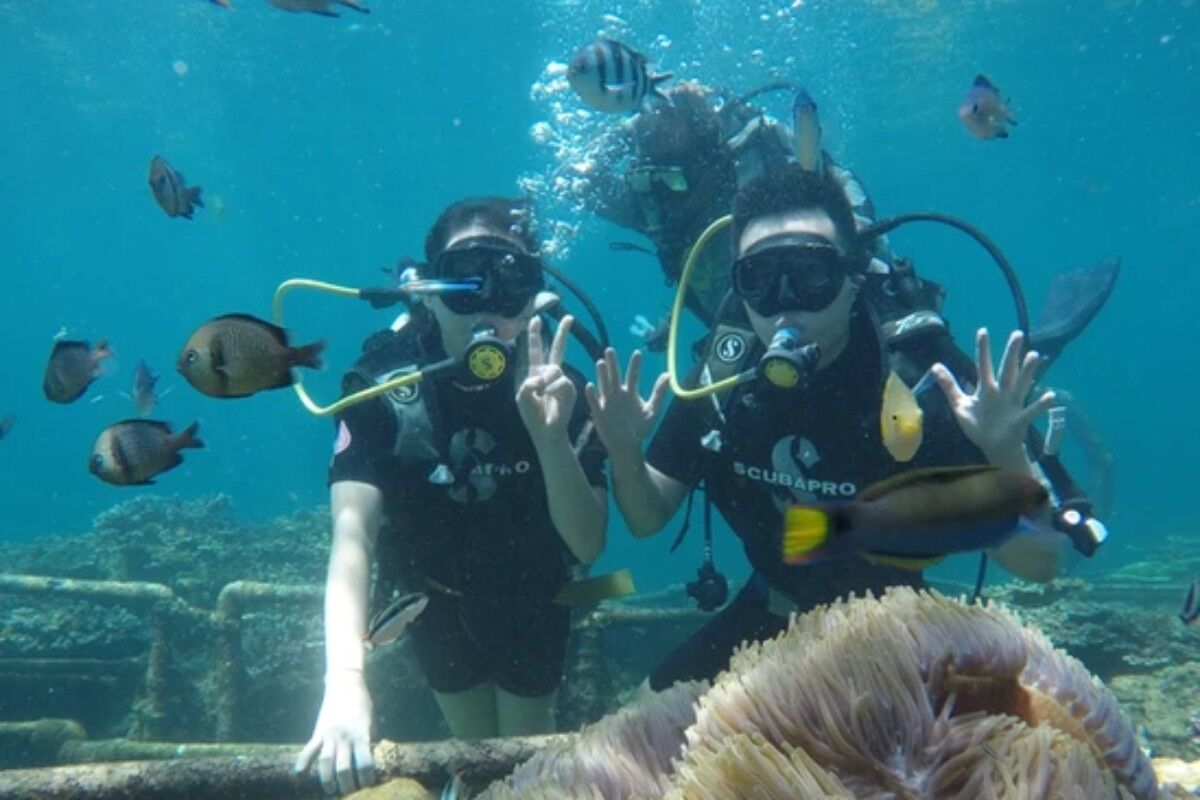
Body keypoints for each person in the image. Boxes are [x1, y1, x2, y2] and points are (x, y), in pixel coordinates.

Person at [584, 163, 1093, 692]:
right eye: (759, 279)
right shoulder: (722, 378)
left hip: (899, 630)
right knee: (645, 711)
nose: (785, 302)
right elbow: (646, 517)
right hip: (772, 609)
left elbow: (1039, 564)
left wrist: (1006, 451)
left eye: (810, 274)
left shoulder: (916, 386)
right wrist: (624, 451)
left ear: (853, 280)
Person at [295, 197, 607, 795]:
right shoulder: (381, 385)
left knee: (524, 764)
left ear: (534, 298)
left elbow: (588, 542)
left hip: (535, 596)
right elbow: (352, 535)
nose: (487, 305)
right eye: (465, 281)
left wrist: (550, 439)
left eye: (509, 284)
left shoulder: (563, 388)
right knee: (472, 759)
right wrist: (345, 680)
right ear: (427, 292)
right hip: (431, 600)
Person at [585, 79, 886, 329]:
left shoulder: (758, 150)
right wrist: (628, 130)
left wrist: (853, 240)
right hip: (735, 329)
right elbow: (581, 181)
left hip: (823, 303)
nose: (674, 193)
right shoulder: (652, 200)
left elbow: (834, 178)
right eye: (663, 177)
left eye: (679, 178)